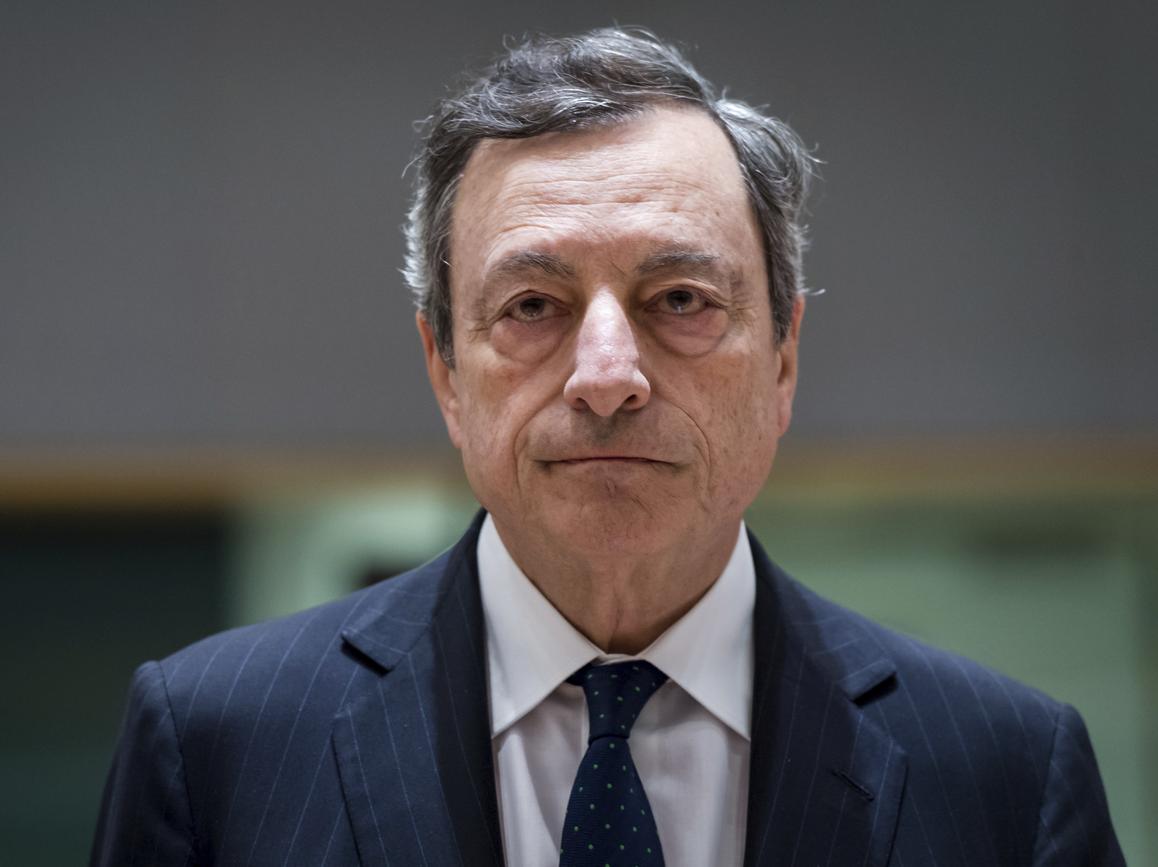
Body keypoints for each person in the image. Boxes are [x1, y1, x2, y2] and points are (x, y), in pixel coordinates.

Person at [91, 27, 1124, 866]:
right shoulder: (215, 747)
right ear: (445, 372)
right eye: (532, 305)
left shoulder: (1008, 774)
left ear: (783, 360)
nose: (606, 373)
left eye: (680, 300)